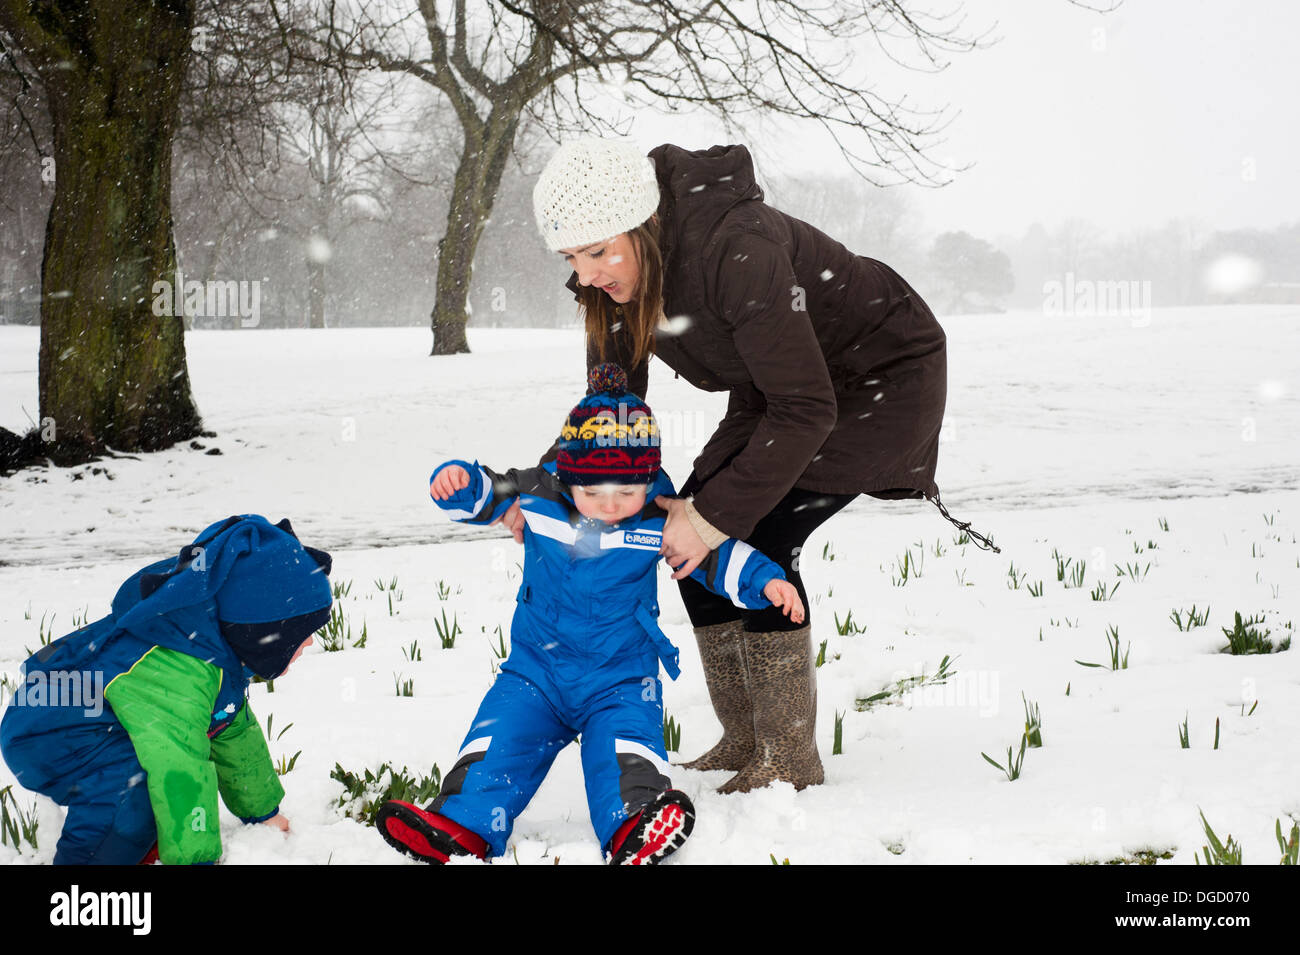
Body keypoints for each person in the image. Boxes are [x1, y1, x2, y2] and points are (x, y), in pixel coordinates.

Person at [526, 138, 999, 795]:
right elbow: (612, 406)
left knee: (752, 538)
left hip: (878, 373)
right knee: (686, 542)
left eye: (599, 250)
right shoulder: (613, 283)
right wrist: (552, 488)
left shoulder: (737, 252)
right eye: (570, 257)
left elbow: (808, 408)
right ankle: (745, 737)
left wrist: (715, 517)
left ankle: (788, 758)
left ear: (643, 226)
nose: (586, 275)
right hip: (778, 385)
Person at [375, 363, 804, 866]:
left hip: (620, 678)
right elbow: (487, 495)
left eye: (627, 492)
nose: (611, 505)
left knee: (624, 758)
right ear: (568, 476)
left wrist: (767, 581)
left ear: (648, 480)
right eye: (594, 493)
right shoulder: (537, 498)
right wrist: (459, 481)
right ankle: (460, 827)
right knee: (497, 746)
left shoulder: (658, 519)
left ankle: (635, 825)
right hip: (535, 672)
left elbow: (715, 555)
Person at [0, 514, 333, 864]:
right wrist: (197, 858)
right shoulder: (178, 668)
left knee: (154, 763)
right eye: (300, 632)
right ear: (261, 632)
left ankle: (143, 839)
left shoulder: (213, 653)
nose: (309, 642)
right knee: (133, 788)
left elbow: (232, 731)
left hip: (102, 724)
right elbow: (180, 768)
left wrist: (264, 812)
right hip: (50, 735)